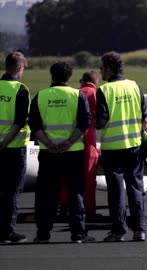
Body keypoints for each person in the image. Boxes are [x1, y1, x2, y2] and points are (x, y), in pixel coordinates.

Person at [28, 61, 94, 243]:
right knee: (75, 193)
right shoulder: (76, 95)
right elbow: (84, 123)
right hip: (73, 152)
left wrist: (49, 143)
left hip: (48, 153)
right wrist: (68, 142)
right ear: (69, 77)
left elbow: (34, 124)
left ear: (51, 75)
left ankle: (42, 234)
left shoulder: (41, 96)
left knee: (46, 194)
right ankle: (78, 233)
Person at [95, 51, 147, 242]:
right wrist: (146, 140)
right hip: (134, 145)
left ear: (109, 68)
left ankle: (118, 231)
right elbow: (144, 117)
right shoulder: (135, 86)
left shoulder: (105, 90)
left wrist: (93, 123)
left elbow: (101, 120)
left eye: (101, 68)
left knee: (116, 191)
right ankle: (140, 229)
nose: (100, 71)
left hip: (113, 148)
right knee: (136, 187)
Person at [59, 71, 99, 218]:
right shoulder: (95, 94)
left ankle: (64, 207)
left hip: (70, 142)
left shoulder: (73, 94)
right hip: (88, 143)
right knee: (88, 180)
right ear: (95, 82)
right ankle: (88, 211)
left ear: (82, 81)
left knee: (66, 178)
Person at [0, 52, 30, 243]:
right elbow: (19, 121)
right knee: (12, 191)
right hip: (13, 148)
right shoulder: (20, 89)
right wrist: (4, 143)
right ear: (19, 68)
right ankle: (7, 231)